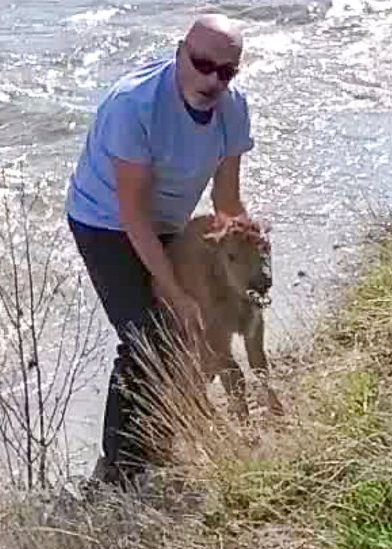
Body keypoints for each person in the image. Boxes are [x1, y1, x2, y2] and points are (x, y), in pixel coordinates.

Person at [64, 13, 255, 487]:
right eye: (203, 63)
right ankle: (119, 473)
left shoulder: (233, 110)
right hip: (106, 221)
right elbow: (133, 216)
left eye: (225, 71)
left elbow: (226, 202)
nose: (212, 79)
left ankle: (163, 435)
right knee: (150, 333)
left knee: (204, 325)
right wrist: (175, 293)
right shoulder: (135, 106)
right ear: (179, 53)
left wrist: (247, 247)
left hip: (169, 221)